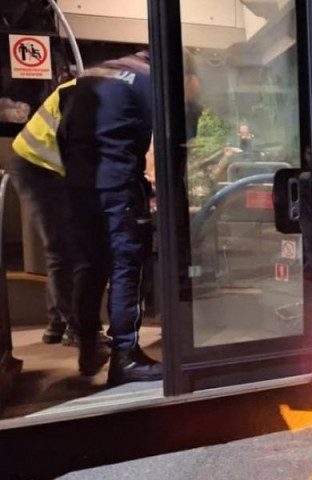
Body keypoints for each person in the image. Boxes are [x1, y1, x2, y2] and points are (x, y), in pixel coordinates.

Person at [59, 50, 199, 384]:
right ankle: (125, 356)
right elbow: (171, 141)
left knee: (89, 264)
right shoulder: (150, 82)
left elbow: (62, 132)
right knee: (127, 265)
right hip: (118, 184)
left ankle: (89, 346)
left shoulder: (90, 76)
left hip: (79, 185)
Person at [8, 78, 109, 351]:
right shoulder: (96, 91)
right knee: (63, 247)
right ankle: (75, 327)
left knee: (68, 246)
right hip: (37, 164)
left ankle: (58, 322)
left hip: (51, 163)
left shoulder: (103, 86)